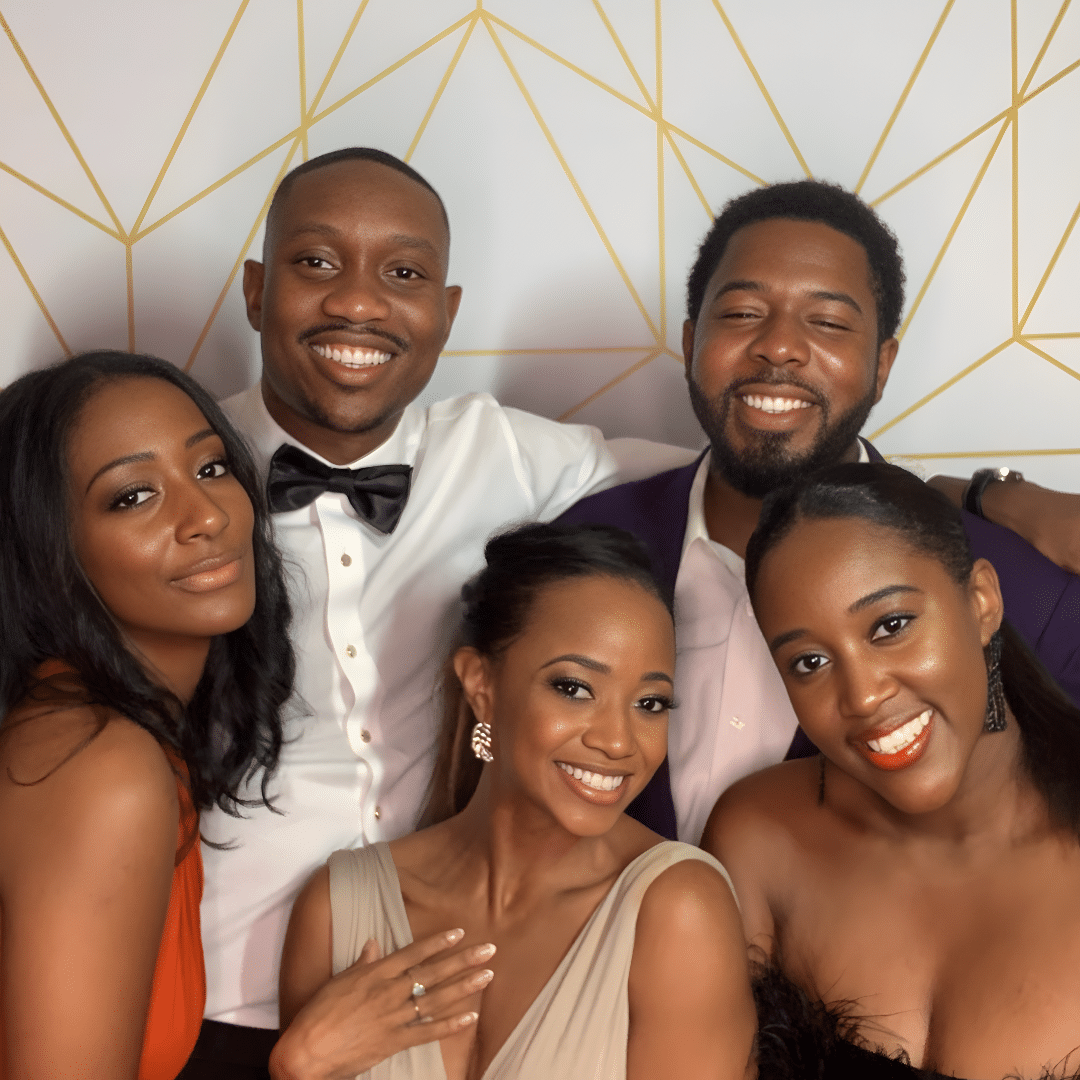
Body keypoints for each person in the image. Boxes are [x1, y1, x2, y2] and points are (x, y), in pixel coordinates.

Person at [193, 147, 693, 1074]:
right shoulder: (179, 469)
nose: (358, 302)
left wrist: (975, 496)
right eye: (316, 263)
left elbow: (727, 486)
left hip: (447, 991)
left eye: (404, 273)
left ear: (447, 312)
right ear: (257, 291)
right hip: (215, 994)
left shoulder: (511, 453)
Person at [560, 179, 1080, 844]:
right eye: (743, 313)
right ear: (691, 343)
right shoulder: (583, 542)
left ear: (882, 364)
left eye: (829, 322)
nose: (779, 347)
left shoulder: (1022, 587)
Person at [274, 522, 755, 1080]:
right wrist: (296, 1067)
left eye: (650, 703)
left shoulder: (677, 910)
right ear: (482, 685)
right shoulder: (338, 908)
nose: (619, 741)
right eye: (574, 688)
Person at [701, 462, 1080, 1078]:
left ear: (981, 601)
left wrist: (991, 494)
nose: (862, 696)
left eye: (891, 626)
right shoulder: (757, 840)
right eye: (810, 661)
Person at [0, 351, 293, 1078]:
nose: (206, 516)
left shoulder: (117, 740)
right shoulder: (99, 767)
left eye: (211, 467)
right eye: (132, 496)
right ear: (50, 551)